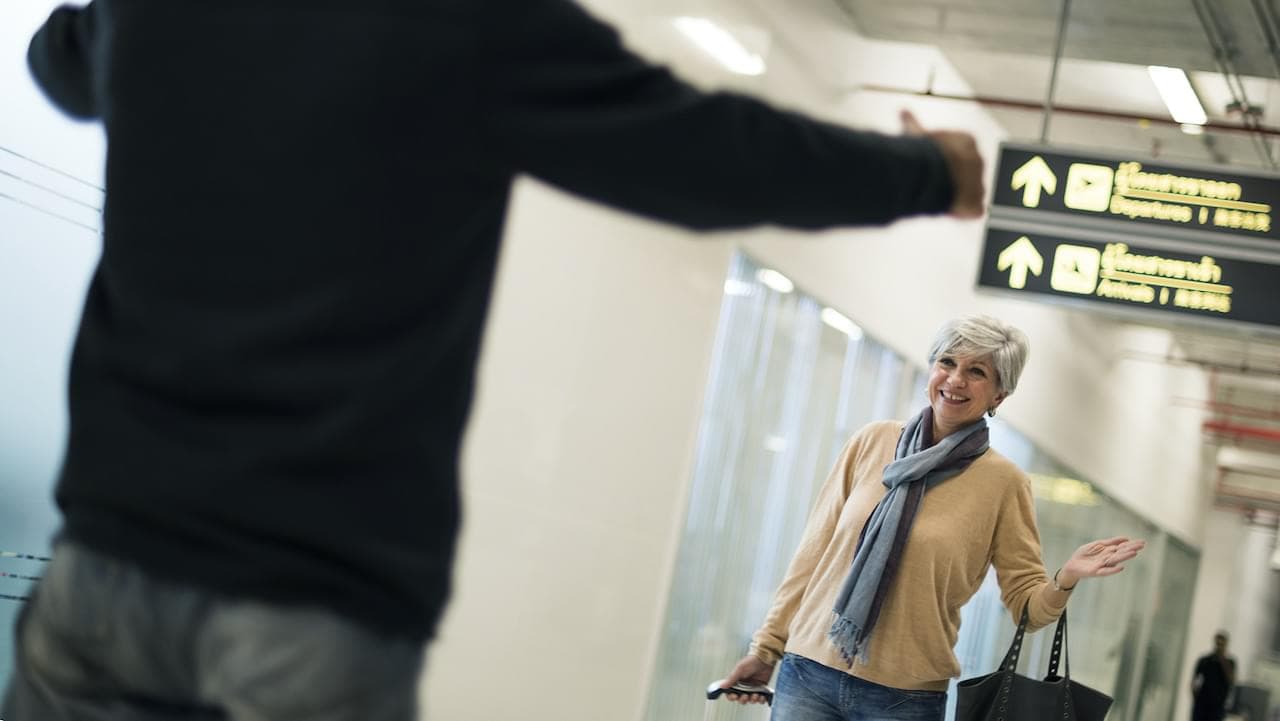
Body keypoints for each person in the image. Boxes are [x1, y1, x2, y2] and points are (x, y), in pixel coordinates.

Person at [5, 1, 986, 720]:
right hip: (311, 604)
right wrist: (925, 170)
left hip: (105, 571)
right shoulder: (466, 28)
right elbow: (709, 155)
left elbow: (59, 56)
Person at [719, 315, 1146, 721]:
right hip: (808, 673)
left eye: (978, 371)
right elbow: (812, 556)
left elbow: (1025, 609)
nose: (956, 379)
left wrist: (1065, 578)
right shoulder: (872, 442)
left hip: (904, 698)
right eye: (947, 362)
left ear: (999, 395)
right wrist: (767, 647)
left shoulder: (1004, 482)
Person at [1190, 632, 1236, 721]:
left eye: (1222, 644)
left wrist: (1222, 659)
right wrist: (1196, 699)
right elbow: (1194, 681)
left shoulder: (1230, 663)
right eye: (1218, 644)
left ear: (1226, 645)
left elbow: (1232, 680)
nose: (1219, 647)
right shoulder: (1205, 660)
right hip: (1202, 704)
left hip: (1218, 706)